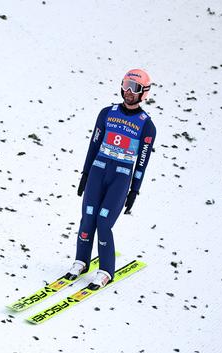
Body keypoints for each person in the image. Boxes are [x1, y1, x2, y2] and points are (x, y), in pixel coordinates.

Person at [65, 69, 157, 288]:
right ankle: (81, 260)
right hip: (98, 170)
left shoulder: (147, 125)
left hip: (121, 177)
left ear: (144, 92)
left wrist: (134, 190)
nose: (128, 92)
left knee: (104, 222)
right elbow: (94, 145)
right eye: (125, 85)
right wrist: (85, 173)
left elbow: (142, 161)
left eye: (134, 88)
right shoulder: (107, 113)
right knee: (87, 217)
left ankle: (106, 270)